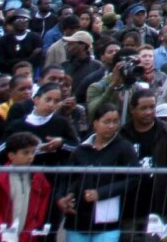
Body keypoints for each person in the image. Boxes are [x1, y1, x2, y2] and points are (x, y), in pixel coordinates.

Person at [55, 102, 136, 242]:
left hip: (107, 219)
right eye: (106, 121)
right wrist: (61, 197)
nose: (111, 126)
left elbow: (134, 179)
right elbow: (66, 178)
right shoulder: (81, 150)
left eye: (115, 122)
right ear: (95, 123)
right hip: (78, 218)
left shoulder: (124, 148)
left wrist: (101, 193)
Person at [120, 87, 167, 238]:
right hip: (128, 206)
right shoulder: (122, 134)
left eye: (152, 107)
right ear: (132, 110)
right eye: (143, 108)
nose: (149, 112)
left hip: (159, 204)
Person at [0, 131, 52, 242]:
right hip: (1, 236)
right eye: (25, 153)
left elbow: (41, 206)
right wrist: (2, 233)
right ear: (11, 155)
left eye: (33, 152)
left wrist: (33, 226)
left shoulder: (38, 178)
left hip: (27, 235)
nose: (30, 157)